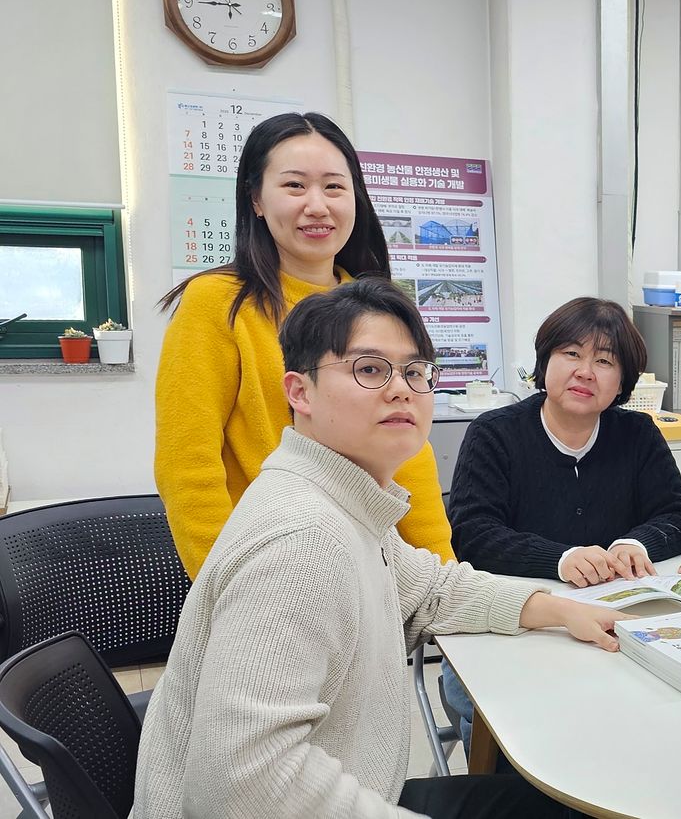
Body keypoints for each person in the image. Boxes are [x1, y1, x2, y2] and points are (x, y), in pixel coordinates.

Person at [134, 278, 618, 818]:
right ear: (299, 392)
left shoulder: (345, 497)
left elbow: (431, 590)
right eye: (369, 370)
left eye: (414, 372)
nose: (401, 390)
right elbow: (242, 784)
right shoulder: (303, 542)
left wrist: (556, 609)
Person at [155, 112, 453, 579]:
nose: (317, 205)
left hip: (375, 571)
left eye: (335, 187)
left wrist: (444, 577)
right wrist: (225, 583)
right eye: (294, 186)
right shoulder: (218, 302)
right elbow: (187, 463)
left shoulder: (375, 303)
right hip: (271, 567)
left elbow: (409, 452)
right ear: (255, 198)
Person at [446, 296, 681, 746]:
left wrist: (635, 545)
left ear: (622, 382)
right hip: (514, 629)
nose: (585, 371)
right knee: (520, 740)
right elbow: (473, 536)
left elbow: (679, 515)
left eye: (604, 361)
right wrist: (561, 559)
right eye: (571, 354)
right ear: (545, 363)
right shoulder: (494, 434)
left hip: (611, 631)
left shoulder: (637, 434)